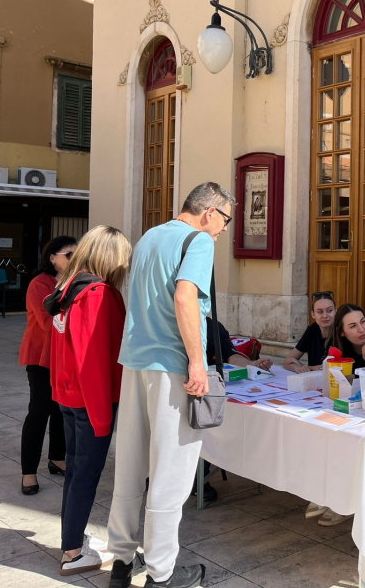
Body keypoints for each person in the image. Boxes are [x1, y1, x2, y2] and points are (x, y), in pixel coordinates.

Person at [107, 182, 234, 588]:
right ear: (209, 212)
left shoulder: (148, 237)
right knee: (172, 473)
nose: (225, 230)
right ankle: (161, 574)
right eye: (226, 220)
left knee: (130, 465)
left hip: (135, 362)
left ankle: (122, 562)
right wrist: (196, 362)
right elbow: (184, 299)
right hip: (169, 366)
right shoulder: (198, 240)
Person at [44, 226, 132, 576]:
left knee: (76, 474)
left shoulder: (68, 288)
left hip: (69, 396)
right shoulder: (97, 293)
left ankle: (72, 541)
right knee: (84, 475)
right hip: (91, 400)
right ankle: (73, 552)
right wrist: (101, 416)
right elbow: (93, 359)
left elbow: (64, 351)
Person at [306, 303, 365, 528]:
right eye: (353, 326)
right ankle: (325, 493)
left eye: (363, 322)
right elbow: (333, 379)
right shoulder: (338, 346)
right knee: (324, 436)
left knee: (350, 444)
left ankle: (344, 503)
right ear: (342, 332)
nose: (361, 329)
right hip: (350, 409)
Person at [19, 235, 76, 496]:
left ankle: (57, 458)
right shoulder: (39, 284)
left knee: (61, 411)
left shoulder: (75, 281)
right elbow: (47, 320)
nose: (74, 259)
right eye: (69, 254)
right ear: (52, 258)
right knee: (39, 412)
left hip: (64, 357)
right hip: (42, 357)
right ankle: (28, 471)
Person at [196, 317, 273, 502]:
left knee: (211, 413)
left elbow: (230, 355)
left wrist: (252, 364)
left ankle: (199, 478)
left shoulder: (211, 325)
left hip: (204, 390)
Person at [283, 291, 336, 373]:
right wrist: (298, 368)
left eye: (329, 310)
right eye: (320, 312)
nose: (325, 315)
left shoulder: (342, 331)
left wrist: (308, 367)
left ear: (335, 311)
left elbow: (333, 368)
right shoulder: (313, 329)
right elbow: (287, 361)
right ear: (313, 314)